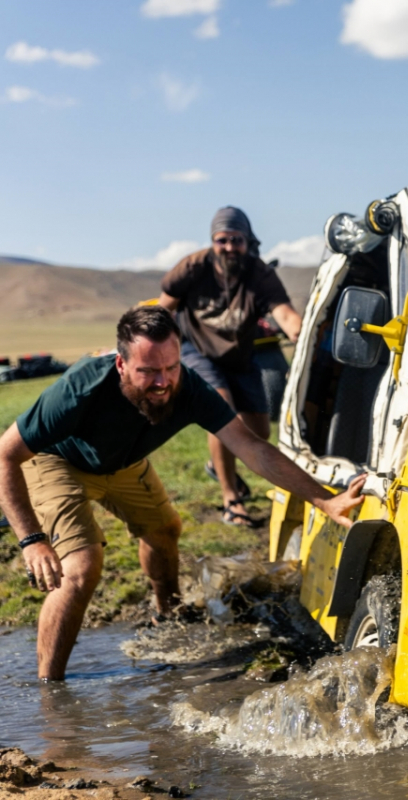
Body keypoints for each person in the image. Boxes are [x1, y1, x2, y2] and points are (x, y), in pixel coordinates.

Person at [0, 306, 364, 680]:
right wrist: (32, 540)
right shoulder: (81, 389)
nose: (163, 382)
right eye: (148, 371)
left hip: (124, 463)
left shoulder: (189, 388)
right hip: (58, 459)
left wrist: (324, 498)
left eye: (171, 367)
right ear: (121, 365)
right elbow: (5, 455)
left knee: (165, 531)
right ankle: (50, 690)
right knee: (81, 567)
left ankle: (167, 614)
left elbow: (251, 448)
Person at [157, 207, 304, 526]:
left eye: (236, 240)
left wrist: (301, 335)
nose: (228, 247)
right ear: (212, 241)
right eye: (221, 240)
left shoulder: (259, 274)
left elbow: (284, 313)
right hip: (197, 350)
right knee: (222, 413)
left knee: (259, 431)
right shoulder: (193, 267)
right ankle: (231, 500)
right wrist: (161, 350)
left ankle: (217, 462)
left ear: (247, 241)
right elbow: (163, 308)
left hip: (240, 356)